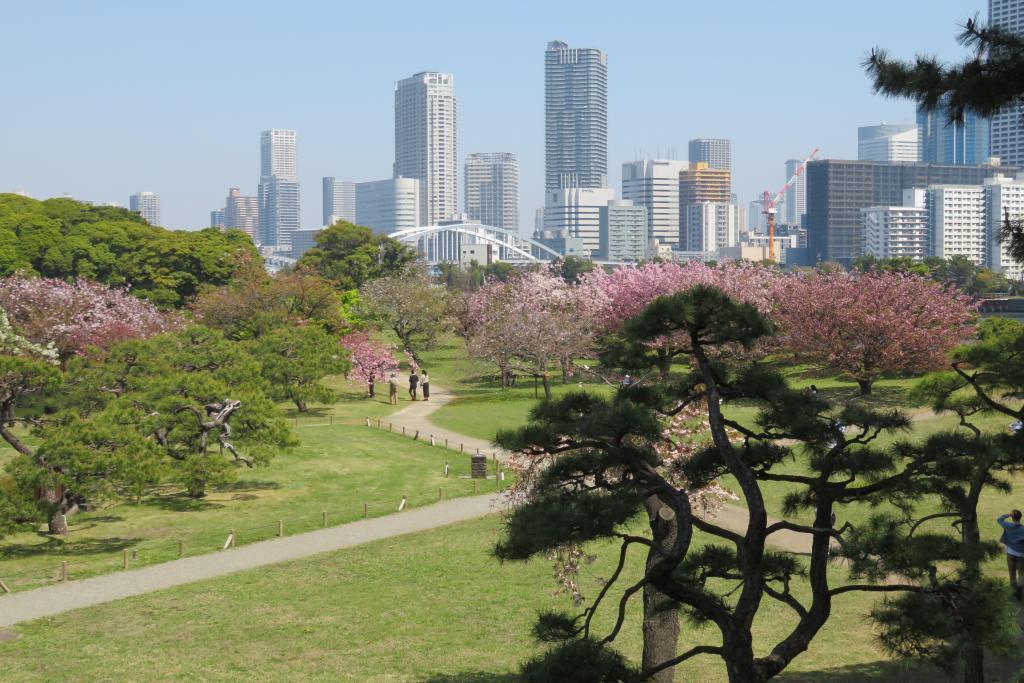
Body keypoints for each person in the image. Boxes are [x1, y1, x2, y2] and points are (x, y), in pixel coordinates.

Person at [998, 510, 1024, 600]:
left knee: (1012, 573)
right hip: (1021, 555)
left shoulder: (1008, 526)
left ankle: (1013, 594)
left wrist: (1007, 515)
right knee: (1021, 574)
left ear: (1012, 517)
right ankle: (1020, 593)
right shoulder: (1023, 529)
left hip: (1010, 553)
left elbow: (999, 520)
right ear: (1020, 517)